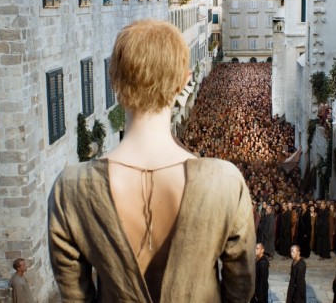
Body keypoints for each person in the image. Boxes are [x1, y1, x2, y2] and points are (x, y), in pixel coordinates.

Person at [48, 19, 255, 302]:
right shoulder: (225, 181)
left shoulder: (70, 189)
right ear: (184, 80)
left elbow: (75, 296)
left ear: (114, 81)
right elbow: (240, 288)